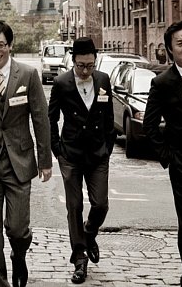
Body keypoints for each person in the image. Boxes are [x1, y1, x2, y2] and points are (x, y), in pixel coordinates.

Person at [0, 20, 52, 287]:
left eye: (1, 45)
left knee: (17, 228)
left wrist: (45, 160)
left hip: (20, 162)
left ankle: (19, 254)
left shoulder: (28, 75)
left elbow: (40, 118)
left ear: (10, 45)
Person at [48, 37, 115, 284]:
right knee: (74, 206)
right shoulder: (61, 83)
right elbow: (51, 118)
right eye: (81, 66)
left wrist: (108, 146)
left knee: (101, 204)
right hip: (71, 154)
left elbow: (109, 117)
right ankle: (79, 258)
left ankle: (89, 233)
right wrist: (57, 148)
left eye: (90, 65)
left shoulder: (103, 80)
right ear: (72, 61)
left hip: (98, 153)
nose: (85, 71)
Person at [143, 21, 182, 287]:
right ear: (170, 49)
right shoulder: (162, 83)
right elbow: (150, 126)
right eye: (180, 43)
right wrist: (169, 157)